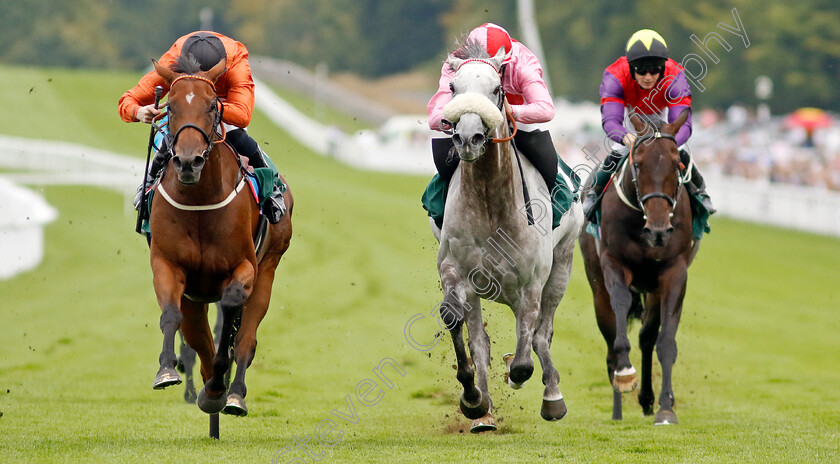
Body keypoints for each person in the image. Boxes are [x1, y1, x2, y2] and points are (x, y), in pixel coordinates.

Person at [119, 31, 286, 224]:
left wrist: (207, 105)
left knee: (239, 138)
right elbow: (127, 100)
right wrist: (137, 112)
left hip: (219, 105)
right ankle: (148, 184)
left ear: (218, 71)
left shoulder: (235, 59)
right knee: (171, 138)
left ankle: (271, 188)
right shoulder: (174, 58)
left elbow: (243, 115)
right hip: (186, 106)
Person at [425, 22, 568, 229]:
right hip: (469, 119)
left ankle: (559, 201)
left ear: (505, 61)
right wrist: (462, 116)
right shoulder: (456, 63)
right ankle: (441, 214)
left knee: (546, 157)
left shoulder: (523, 61)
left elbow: (546, 109)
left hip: (513, 117)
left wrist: (510, 112)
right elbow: (434, 117)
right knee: (444, 160)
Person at [582, 28, 715, 221]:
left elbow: (683, 123)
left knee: (682, 149)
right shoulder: (615, 75)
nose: (648, 76)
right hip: (632, 114)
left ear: (663, 67)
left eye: (654, 70)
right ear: (630, 67)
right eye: (641, 70)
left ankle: (700, 191)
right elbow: (611, 121)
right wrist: (627, 138)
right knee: (618, 149)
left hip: (663, 114)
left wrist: (669, 142)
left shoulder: (675, 75)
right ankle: (594, 192)